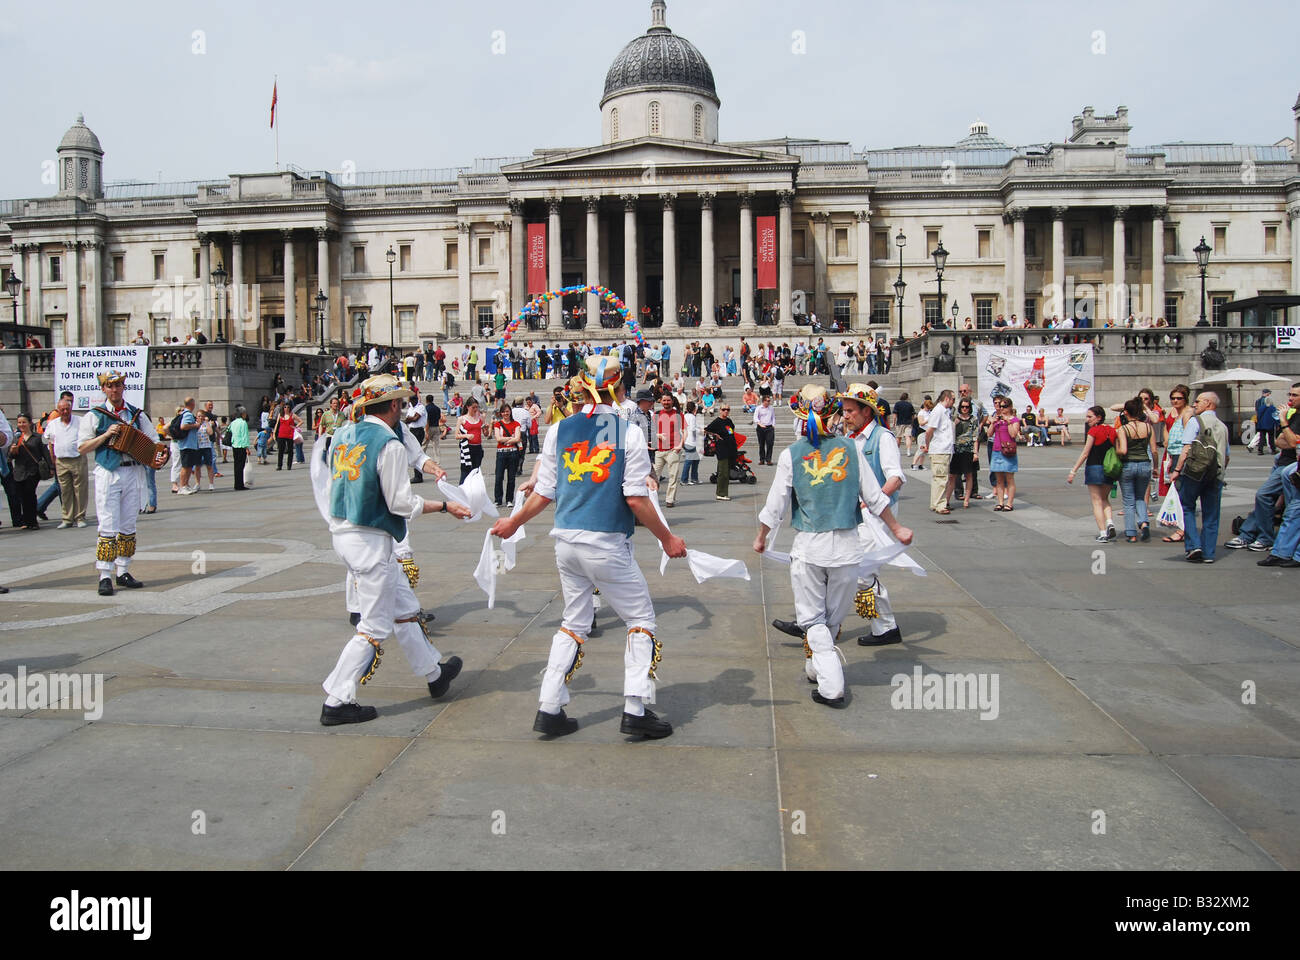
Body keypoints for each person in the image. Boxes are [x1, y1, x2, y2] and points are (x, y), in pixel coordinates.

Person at [488, 355, 687, 739]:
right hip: (605, 541)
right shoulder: (624, 430)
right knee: (641, 618)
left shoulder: (559, 430)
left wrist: (514, 521)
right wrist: (667, 538)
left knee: (574, 622)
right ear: (619, 389)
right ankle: (635, 707)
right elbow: (635, 499)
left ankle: (549, 705)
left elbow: (544, 491)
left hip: (566, 540)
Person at [318, 374, 471, 725]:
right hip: (371, 540)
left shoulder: (343, 433)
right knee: (373, 626)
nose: (403, 410)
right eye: (400, 404)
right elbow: (401, 503)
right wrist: (446, 507)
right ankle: (337, 700)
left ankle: (434, 674)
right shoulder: (389, 443)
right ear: (391, 406)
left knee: (404, 606)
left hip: (344, 532)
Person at [754, 385, 913, 707]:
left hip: (810, 548)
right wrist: (897, 528)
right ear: (834, 414)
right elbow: (874, 495)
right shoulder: (850, 449)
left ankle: (831, 685)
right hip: (847, 549)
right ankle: (816, 667)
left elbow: (776, 505)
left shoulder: (792, 454)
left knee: (812, 620)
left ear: (800, 416)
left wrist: (762, 537)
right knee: (833, 618)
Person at [77, 370, 164, 595]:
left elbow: (155, 442)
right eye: (110, 386)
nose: (114, 390)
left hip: (133, 471)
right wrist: (106, 436)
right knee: (107, 523)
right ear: (103, 389)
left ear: (123, 387)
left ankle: (123, 570)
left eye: (118, 385)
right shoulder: (95, 416)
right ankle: (104, 574)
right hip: (108, 472)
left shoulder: (137, 415)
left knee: (128, 524)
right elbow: (82, 447)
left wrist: (161, 456)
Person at [1227, 382, 1299, 553]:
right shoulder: (1294, 415)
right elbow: (1279, 441)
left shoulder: (1289, 416)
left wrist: (1284, 423)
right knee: (1267, 501)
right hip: (1282, 461)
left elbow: (1290, 441)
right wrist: (1290, 436)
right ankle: (1248, 534)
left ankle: (1265, 538)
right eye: (1289, 394)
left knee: (1264, 496)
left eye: (1294, 395)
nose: (1290, 398)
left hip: (1290, 466)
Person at [1170, 391, 1230, 563]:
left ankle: (1193, 546)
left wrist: (1177, 470)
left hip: (1194, 473)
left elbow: (1187, 448)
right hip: (1216, 474)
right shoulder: (1223, 426)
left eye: (1198, 401)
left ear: (1209, 404)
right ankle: (1209, 553)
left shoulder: (1195, 422)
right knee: (1211, 514)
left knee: (1187, 506)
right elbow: (1226, 456)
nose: (1194, 404)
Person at [1067, 406, 1119, 542]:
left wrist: (1074, 470)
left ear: (1099, 417)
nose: (1087, 419)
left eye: (1090, 416)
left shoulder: (1093, 431)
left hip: (1094, 468)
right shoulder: (1112, 430)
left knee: (1096, 502)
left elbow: (1085, 453)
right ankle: (1110, 522)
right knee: (1105, 499)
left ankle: (1102, 533)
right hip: (1109, 469)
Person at [42, 397, 88, 528]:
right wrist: (52, 461)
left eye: (67, 409)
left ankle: (80, 517)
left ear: (71, 409)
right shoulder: (53, 424)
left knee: (80, 490)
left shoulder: (80, 421)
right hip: (61, 461)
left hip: (77, 459)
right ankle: (67, 518)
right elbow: (50, 443)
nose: (65, 411)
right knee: (65, 491)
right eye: (62, 409)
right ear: (58, 410)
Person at [1115, 397, 1154, 542]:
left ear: (1126, 412)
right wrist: (1155, 467)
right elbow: (1154, 450)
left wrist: (1116, 449)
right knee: (1140, 497)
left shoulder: (1123, 429)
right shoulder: (1148, 427)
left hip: (1128, 465)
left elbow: (1123, 450)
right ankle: (1144, 522)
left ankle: (1131, 533)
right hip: (1144, 464)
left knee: (1128, 501)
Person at [7, 414, 47, 529]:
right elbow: (11, 457)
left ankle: (33, 521)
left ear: (30, 423)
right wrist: (13, 451)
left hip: (33, 471)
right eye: (19, 422)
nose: (21, 425)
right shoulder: (17, 438)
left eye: (24, 422)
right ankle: (26, 520)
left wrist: (51, 467)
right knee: (23, 496)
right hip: (19, 471)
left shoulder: (38, 437)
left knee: (30, 494)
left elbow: (45, 453)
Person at [924, 390, 955, 514]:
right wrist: (927, 445)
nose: (954, 401)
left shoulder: (944, 411)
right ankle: (940, 505)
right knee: (941, 478)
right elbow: (929, 430)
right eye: (953, 399)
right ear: (947, 398)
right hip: (939, 449)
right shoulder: (938, 411)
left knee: (940, 478)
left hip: (945, 449)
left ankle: (935, 503)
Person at [988, 396, 1021, 511]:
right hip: (997, 450)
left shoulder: (1014, 420)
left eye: (1004, 406)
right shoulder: (998, 419)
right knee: (999, 479)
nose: (1001, 408)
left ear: (1010, 407)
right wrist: (993, 423)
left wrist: (1008, 422)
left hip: (1008, 451)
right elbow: (989, 434)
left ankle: (1009, 503)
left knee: (1009, 478)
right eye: (1000, 406)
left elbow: (1013, 434)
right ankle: (1000, 502)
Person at [653, 393, 685, 508]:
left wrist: (680, 445)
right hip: (659, 450)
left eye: (668, 400)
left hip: (673, 449)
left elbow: (685, 431)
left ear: (672, 401)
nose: (666, 402)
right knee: (654, 476)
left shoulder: (678, 414)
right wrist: (658, 435)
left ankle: (670, 499)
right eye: (664, 400)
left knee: (673, 476)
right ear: (661, 401)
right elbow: (651, 431)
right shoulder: (656, 414)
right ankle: (653, 498)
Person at [492, 402, 524, 506]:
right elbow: (498, 438)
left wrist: (506, 440)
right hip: (501, 453)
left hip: (512, 453)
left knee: (511, 477)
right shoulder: (498, 424)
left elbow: (518, 438)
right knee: (499, 477)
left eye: (507, 411)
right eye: (503, 412)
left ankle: (509, 499)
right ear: (501, 413)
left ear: (510, 412)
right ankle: (498, 499)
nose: (506, 413)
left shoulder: (516, 424)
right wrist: (511, 438)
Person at [950, 398, 980, 509]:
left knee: (969, 475)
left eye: (967, 407)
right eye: (962, 407)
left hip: (968, 449)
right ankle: (948, 499)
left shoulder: (974, 419)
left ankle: (966, 499)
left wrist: (975, 452)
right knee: (952, 475)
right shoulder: (954, 418)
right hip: (956, 449)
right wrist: (954, 424)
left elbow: (975, 436)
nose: (964, 409)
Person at [705, 403, 737, 501]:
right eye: (724, 409)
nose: (726, 411)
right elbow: (705, 430)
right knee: (723, 472)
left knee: (726, 472)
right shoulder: (717, 421)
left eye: (728, 409)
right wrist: (715, 434)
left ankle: (723, 492)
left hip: (730, 449)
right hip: (722, 449)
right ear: (720, 410)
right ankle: (721, 493)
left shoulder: (728, 421)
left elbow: (731, 431)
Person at [174, 397, 204, 493]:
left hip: (189, 444)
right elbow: (183, 426)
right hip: (187, 444)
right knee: (186, 466)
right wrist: (195, 425)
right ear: (192, 404)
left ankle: (186, 485)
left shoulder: (186, 414)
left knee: (189, 466)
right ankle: (182, 486)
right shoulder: (187, 415)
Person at [456, 397, 486, 483]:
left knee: (476, 471)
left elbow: (486, 434)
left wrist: (486, 429)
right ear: (467, 407)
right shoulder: (462, 419)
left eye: (477, 407)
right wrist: (466, 435)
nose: (475, 409)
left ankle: (474, 492)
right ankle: (462, 492)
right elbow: (457, 435)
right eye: (473, 407)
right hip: (467, 448)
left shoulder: (480, 417)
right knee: (465, 472)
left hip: (478, 447)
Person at [679, 400, 703, 485]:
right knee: (689, 461)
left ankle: (694, 478)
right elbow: (692, 429)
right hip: (692, 441)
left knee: (695, 460)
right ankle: (684, 479)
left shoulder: (685, 416)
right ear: (694, 409)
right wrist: (700, 431)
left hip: (686, 440)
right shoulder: (692, 417)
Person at [231, 405, 252, 491]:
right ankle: (240, 485)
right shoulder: (243, 423)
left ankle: (237, 483)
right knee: (241, 466)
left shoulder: (233, 422)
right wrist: (247, 447)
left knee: (236, 466)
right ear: (243, 414)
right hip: (241, 446)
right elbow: (244, 436)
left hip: (235, 445)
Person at [753, 394, 776, 466]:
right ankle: (762, 459)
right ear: (763, 401)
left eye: (769, 401)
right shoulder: (759, 408)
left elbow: (773, 417)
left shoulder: (771, 408)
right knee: (761, 444)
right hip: (761, 427)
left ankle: (768, 459)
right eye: (767, 401)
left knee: (770, 444)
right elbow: (755, 417)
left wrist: (773, 425)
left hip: (769, 427)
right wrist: (760, 424)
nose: (769, 402)